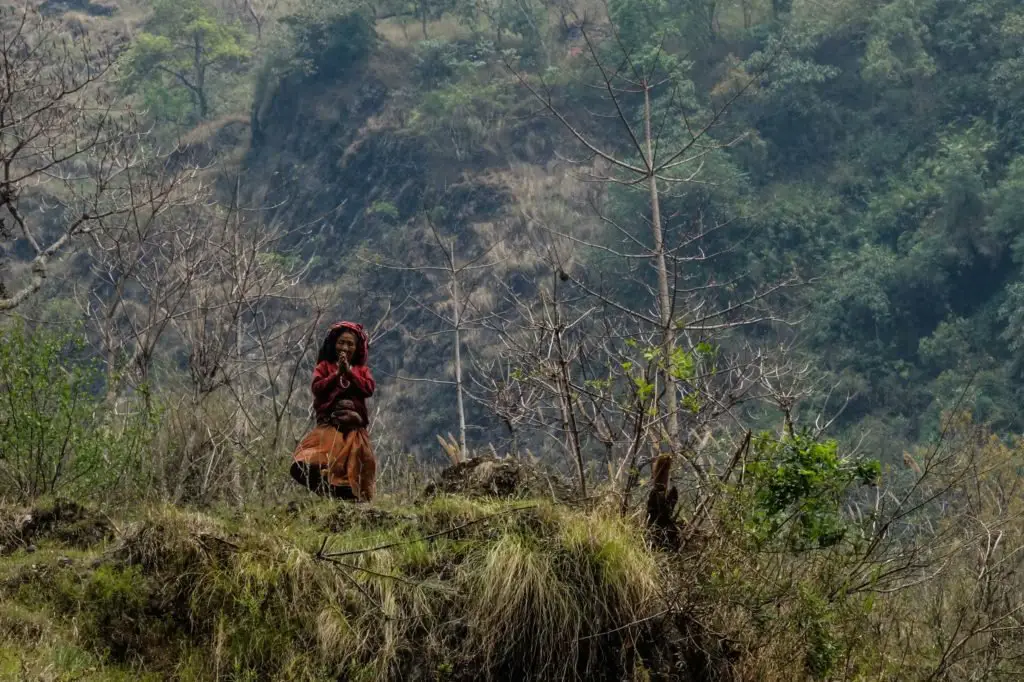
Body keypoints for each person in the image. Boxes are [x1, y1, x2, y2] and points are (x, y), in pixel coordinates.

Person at [290, 321, 377, 501]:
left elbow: (368, 389)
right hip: (330, 425)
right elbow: (317, 388)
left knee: (356, 467)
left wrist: (350, 374)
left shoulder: (362, 370)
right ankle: (328, 491)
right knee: (312, 460)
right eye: (341, 343)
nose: (345, 348)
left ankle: (348, 499)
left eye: (350, 344)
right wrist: (337, 374)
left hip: (355, 429)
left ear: (357, 348)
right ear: (334, 344)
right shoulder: (324, 367)